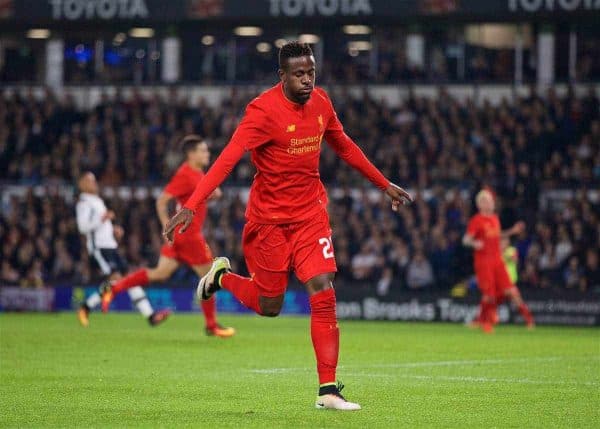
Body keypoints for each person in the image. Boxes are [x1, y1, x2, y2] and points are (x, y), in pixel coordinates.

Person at [162, 41, 412, 411]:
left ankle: (328, 389)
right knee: (270, 306)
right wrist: (191, 205)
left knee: (322, 287)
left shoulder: (322, 103)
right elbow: (227, 159)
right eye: (299, 74)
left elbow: (344, 145)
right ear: (282, 76)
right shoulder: (262, 111)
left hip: (311, 214)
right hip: (269, 223)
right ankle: (222, 277)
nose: (308, 80)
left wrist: (383, 183)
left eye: (311, 72)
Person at [100, 136, 235, 338]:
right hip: (188, 234)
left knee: (160, 273)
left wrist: (212, 194)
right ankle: (211, 325)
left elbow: (208, 193)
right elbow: (162, 201)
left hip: (181, 235)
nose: (207, 154)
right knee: (210, 278)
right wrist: (166, 226)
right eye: (203, 151)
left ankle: (114, 288)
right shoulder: (185, 174)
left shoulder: (197, 174)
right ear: (191, 154)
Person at [75, 171, 170, 328]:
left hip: (110, 245)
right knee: (116, 280)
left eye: (94, 180)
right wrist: (103, 219)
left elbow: (99, 226)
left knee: (129, 279)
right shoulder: (83, 203)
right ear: (82, 185)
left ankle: (151, 316)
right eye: (90, 181)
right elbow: (83, 227)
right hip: (100, 248)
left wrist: (113, 230)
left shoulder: (97, 201)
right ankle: (85, 307)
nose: (94, 183)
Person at [462, 189, 534, 333]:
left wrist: (512, 231)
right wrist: (475, 243)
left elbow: (497, 236)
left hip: (497, 260)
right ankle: (486, 324)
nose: (490, 203)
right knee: (489, 294)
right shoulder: (477, 220)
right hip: (484, 261)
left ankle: (528, 320)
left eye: (491, 201)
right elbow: (466, 239)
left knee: (511, 291)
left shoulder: (495, 218)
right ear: (480, 204)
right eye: (487, 201)